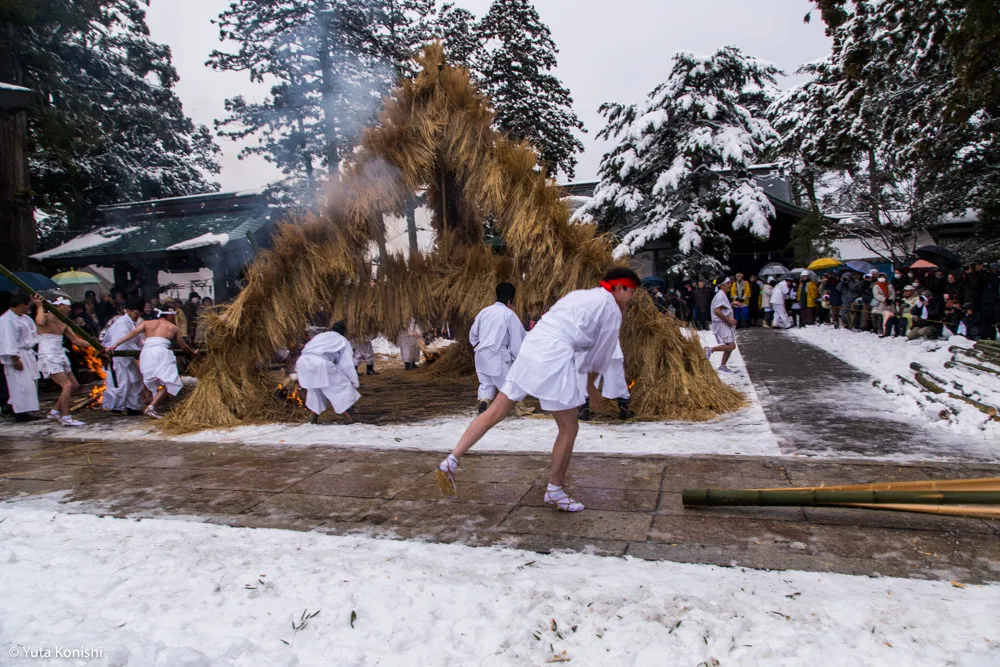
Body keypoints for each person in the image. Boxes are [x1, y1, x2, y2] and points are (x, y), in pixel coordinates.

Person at [435, 267, 640, 512]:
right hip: (554, 354)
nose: (632, 298)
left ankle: (452, 459)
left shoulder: (580, 296)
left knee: (497, 409)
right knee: (569, 426)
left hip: (533, 347)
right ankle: (555, 491)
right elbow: (600, 355)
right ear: (618, 287)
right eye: (631, 292)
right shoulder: (610, 310)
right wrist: (590, 387)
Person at [106, 306, 197, 419]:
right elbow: (183, 347)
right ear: (170, 315)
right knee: (169, 382)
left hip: (146, 355)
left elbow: (132, 333)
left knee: (162, 382)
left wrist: (114, 345)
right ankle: (152, 407)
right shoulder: (173, 328)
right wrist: (193, 353)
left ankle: (176, 406)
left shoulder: (147, 323)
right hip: (162, 355)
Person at [35, 296, 92, 426]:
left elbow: (76, 340)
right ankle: (66, 417)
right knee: (67, 385)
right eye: (66, 306)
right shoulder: (46, 317)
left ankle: (54, 411)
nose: (69, 309)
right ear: (59, 305)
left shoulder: (64, 322)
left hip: (60, 354)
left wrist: (95, 345)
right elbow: (39, 322)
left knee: (74, 385)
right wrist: (39, 306)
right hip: (48, 354)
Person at [469, 282, 526, 414]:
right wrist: (517, 357)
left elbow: (473, 334)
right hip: (498, 354)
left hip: (481, 354)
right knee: (509, 384)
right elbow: (517, 340)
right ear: (510, 300)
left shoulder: (484, 311)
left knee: (486, 383)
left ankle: (484, 401)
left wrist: (477, 345)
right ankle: (519, 407)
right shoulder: (509, 315)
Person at [296, 321, 360, 425]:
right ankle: (349, 418)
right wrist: (354, 381)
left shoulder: (320, 336)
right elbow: (347, 364)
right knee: (341, 388)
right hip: (321, 363)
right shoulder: (342, 340)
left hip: (303, 362)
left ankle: (313, 417)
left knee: (316, 390)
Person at [0, 293, 41, 422]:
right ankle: (19, 412)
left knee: (30, 383)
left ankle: (14, 406)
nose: (29, 308)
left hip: (27, 352)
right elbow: (8, 340)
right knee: (20, 384)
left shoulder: (25, 318)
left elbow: (33, 333)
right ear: (21, 305)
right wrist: (15, 359)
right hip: (17, 354)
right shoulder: (6, 320)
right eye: (27, 305)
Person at [102, 297, 145, 415]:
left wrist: (142, 348)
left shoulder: (133, 324)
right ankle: (116, 407)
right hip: (119, 357)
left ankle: (133, 406)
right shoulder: (121, 323)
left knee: (136, 381)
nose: (138, 315)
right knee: (122, 382)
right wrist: (140, 352)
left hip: (129, 357)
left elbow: (137, 340)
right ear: (129, 310)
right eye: (136, 313)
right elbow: (123, 343)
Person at [705, 275, 737, 372]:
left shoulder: (722, 295)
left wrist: (731, 305)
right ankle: (710, 349)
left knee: (729, 346)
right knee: (731, 346)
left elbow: (722, 308)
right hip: (721, 324)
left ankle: (723, 365)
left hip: (724, 323)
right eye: (727, 283)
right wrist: (728, 319)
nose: (730, 285)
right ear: (722, 285)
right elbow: (717, 311)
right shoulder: (720, 295)